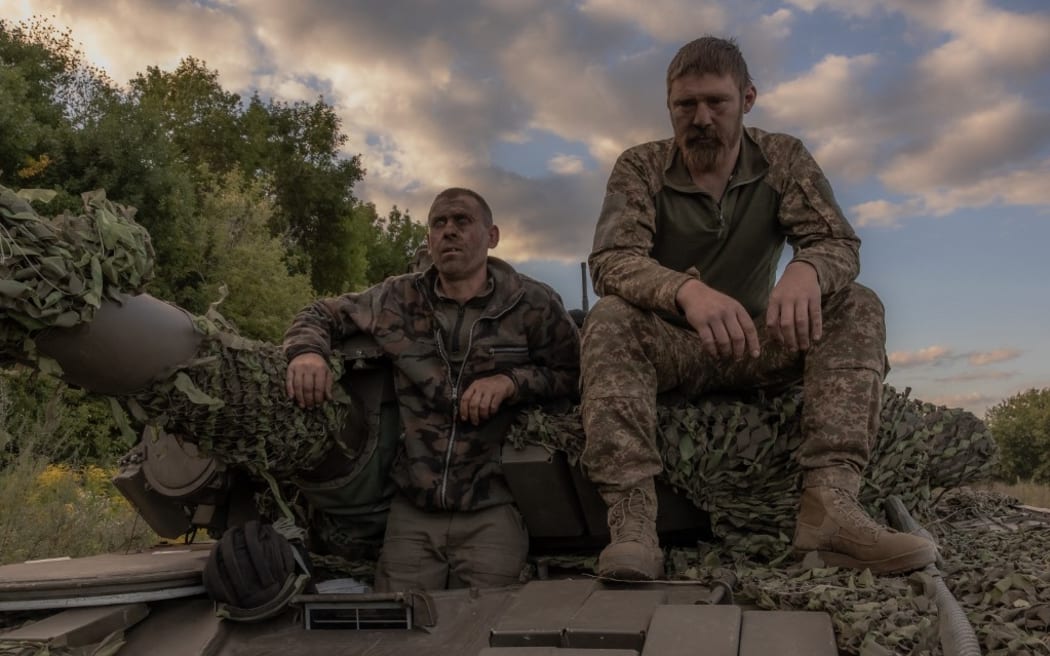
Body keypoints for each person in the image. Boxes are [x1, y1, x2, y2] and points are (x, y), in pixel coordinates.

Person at [581, 36, 936, 580]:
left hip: (758, 344)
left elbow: (837, 242)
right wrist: (685, 291)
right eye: (685, 104)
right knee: (608, 318)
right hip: (674, 348)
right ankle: (633, 524)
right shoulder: (642, 167)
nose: (701, 118)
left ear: (747, 98)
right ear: (669, 106)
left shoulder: (781, 158)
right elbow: (611, 259)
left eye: (716, 102)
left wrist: (806, 271)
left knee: (857, 304)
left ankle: (830, 509)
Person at [283, 187, 580, 591]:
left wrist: (510, 382)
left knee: (487, 631)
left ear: (491, 236)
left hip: (491, 508)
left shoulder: (532, 303)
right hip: (413, 512)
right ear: (429, 240)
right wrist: (307, 354)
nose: (449, 232)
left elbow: (573, 373)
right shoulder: (398, 298)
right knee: (398, 632)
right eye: (439, 223)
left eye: (462, 221)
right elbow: (321, 312)